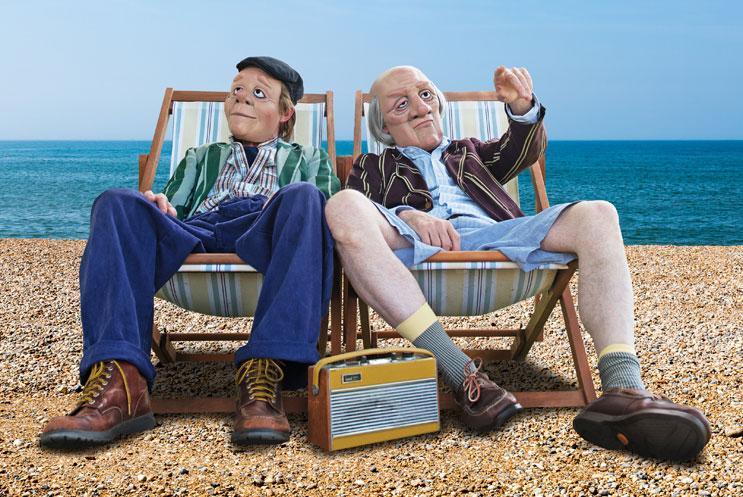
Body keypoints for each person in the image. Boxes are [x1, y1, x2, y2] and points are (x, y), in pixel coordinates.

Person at [324, 65, 711, 461]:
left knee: (599, 214)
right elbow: (359, 208)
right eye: (401, 104)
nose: (420, 108)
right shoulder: (372, 165)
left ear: (438, 103)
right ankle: (462, 375)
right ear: (384, 125)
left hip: (495, 237)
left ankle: (622, 388)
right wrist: (409, 215)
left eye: (425, 94)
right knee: (341, 206)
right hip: (409, 243)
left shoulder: (470, 152)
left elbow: (522, 150)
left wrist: (522, 107)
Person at [40, 56, 340, 449]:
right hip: (199, 228)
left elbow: (328, 217)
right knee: (116, 203)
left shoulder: (308, 158)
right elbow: (176, 210)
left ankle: (265, 374)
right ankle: (121, 383)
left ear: (285, 114)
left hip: (265, 229)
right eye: (236, 90)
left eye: (258, 93)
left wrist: (302, 203)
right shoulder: (201, 156)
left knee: (307, 198)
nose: (242, 99)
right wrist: (158, 206)